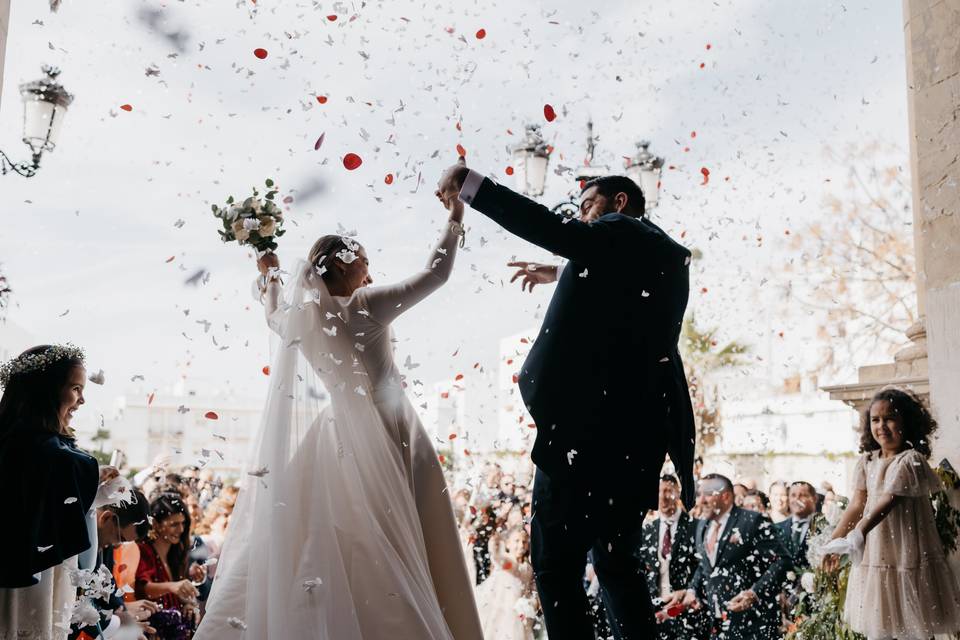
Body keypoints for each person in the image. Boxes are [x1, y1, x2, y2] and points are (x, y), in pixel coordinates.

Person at [195, 186, 482, 639]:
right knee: (412, 536)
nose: (370, 271)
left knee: (329, 539)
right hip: (393, 430)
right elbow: (436, 274)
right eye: (365, 261)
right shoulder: (366, 306)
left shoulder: (301, 318)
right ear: (347, 264)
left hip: (336, 437)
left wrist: (269, 272)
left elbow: (273, 314)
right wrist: (456, 215)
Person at [438, 161, 696, 640]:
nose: (580, 219)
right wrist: (564, 271)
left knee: (555, 566)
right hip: (633, 446)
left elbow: (556, 230)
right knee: (618, 567)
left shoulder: (620, 230)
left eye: (587, 207)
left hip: (584, 435)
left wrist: (474, 186)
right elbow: (620, 291)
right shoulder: (663, 257)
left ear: (619, 204)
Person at [824, 388, 960, 639]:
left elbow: (888, 501)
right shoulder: (866, 462)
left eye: (890, 418)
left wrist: (857, 534)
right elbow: (857, 504)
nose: (882, 426)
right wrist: (834, 541)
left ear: (906, 422)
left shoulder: (911, 461)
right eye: (875, 420)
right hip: (877, 553)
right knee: (881, 624)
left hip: (907, 552)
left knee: (913, 624)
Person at [0, 344, 105, 640]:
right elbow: (85, 557)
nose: (81, 400)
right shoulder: (50, 456)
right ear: (46, 391)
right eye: (75, 388)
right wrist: (97, 492)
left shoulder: (15, 443)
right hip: (34, 583)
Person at [665, 474, 788, 640]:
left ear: (726, 496)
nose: (700, 501)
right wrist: (692, 590)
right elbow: (705, 566)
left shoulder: (753, 521)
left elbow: (783, 561)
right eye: (699, 494)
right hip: (716, 625)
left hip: (754, 625)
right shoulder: (702, 525)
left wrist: (754, 593)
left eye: (707, 494)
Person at [636, 475, 709, 639]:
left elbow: (704, 566)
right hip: (655, 610)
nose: (663, 496)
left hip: (686, 609)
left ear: (678, 493)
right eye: (659, 491)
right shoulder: (648, 530)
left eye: (668, 490)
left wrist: (689, 590)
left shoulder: (696, 526)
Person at [136, 493, 203, 637]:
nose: (181, 530)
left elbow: (181, 595)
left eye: (183, 523)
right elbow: (143, 588)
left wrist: (189, 604)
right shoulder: (143, 550)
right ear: (155, 524)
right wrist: (172, 586)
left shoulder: (177, 554)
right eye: (174, 524)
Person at [475, 527, 536, 640]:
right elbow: (499, 558)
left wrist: (530, 603)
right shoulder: (509, 561)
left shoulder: (528, 567)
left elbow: (532, 590)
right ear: (507, 544)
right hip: (503, 615)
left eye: (524, 541)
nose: (521, 545)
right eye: (516, 541)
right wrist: (496, 545)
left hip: (519, 616)